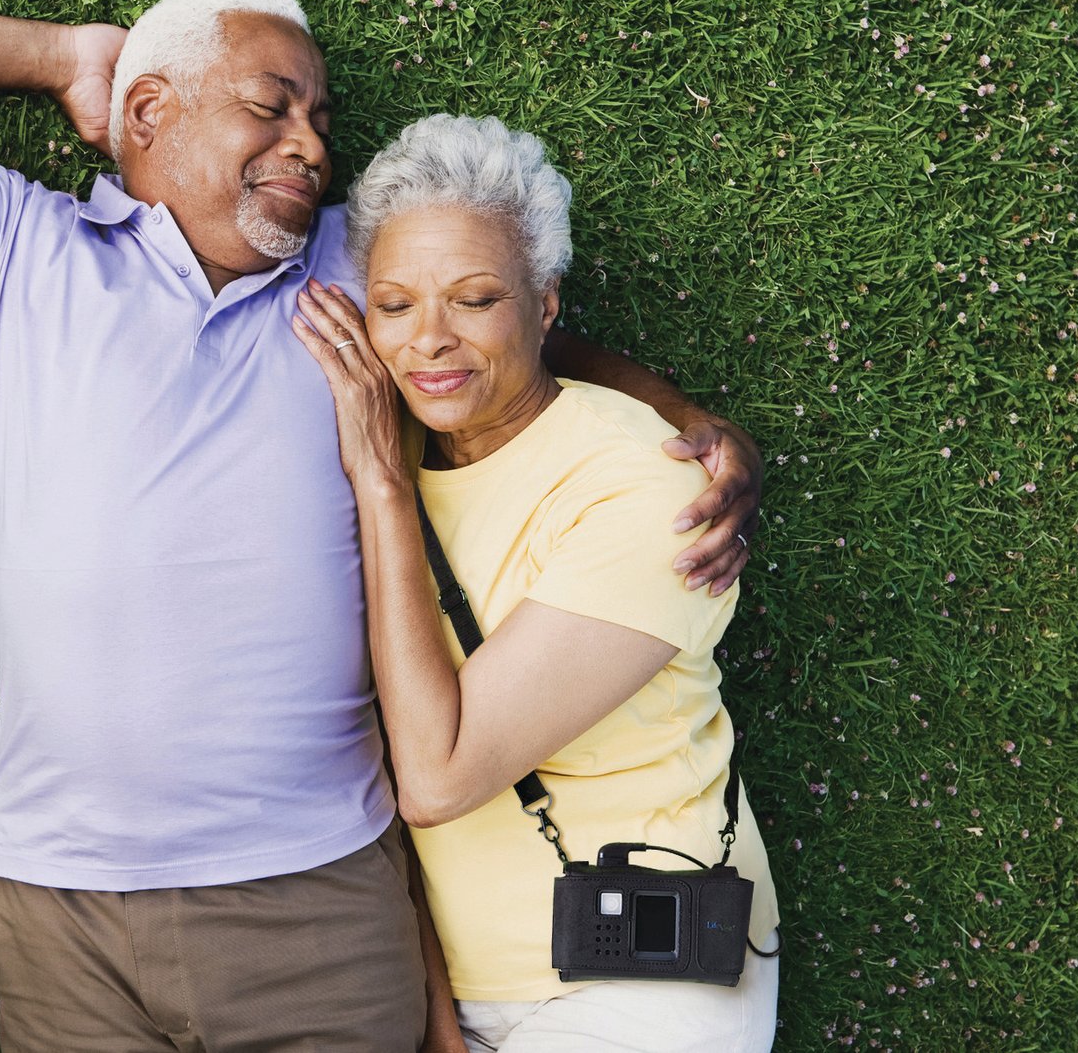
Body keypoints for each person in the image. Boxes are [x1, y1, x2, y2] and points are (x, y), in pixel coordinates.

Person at [0, 0, 766, 1051]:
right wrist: (62, 59)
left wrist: (682, 419)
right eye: (271, 105)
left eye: (318, 119)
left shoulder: (352, 270)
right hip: (61, 897)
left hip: (310, 892)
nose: (308, 144)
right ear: (148, 115)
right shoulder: (0, 254)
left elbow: (493, 322)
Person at [292, 114, 782, 1052]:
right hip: (457, 988)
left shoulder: (649, 490)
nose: (428, 340)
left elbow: (436, 779)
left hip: (648, 990)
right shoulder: (404, 426)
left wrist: (381, 483)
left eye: (475, 298)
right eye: (393, 305)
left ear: (546, 305)